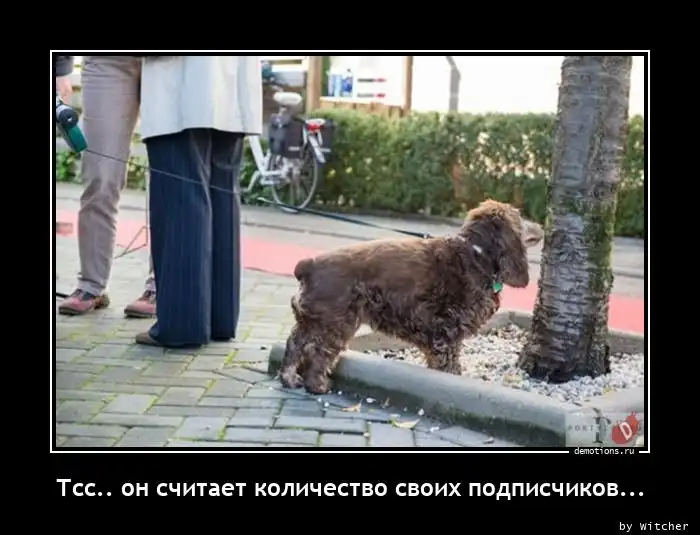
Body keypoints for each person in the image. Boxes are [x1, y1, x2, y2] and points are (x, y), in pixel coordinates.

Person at [134, 56, 262, 348]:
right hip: (232, 86)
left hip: (182, 89)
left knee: (181, 204)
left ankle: (182, 325)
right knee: (221, 201)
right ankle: (219, 319)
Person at [57, 56, 158, 318]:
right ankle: (91, 284)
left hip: (170, 62)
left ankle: (162, 284)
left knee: (165, 178)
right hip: (107, 60)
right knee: (99, 174)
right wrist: (59, 66)